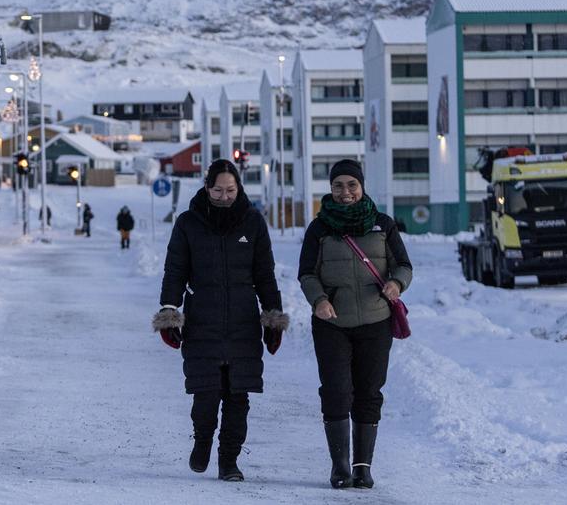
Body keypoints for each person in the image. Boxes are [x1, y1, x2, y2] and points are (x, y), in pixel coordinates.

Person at [152, 158, 288, 482]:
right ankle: (202, 441)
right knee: (206, 393)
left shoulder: (253, 222)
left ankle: (229, 461)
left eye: (230, 190)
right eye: (218, 191)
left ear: (239, 187)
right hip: (203, 320)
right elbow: (175, 270)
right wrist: (169, 312)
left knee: (238, 396)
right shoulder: (188, 223)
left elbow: (265, 274)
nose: (225, 197)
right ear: (206, 187)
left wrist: (273, 317)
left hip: (243, 322)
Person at [298, 159, 412, 491]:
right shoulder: (319, 229)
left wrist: (397, 283)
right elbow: (307, 273)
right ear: (330, 189)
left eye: (352, 185)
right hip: (331, 323)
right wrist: (319, 300)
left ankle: (363, 467)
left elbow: (403, 265)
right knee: (336, 391)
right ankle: (340, 466)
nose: (345, 192)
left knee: (369, 391)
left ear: (362, 187)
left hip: (376, 322)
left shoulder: (382, 225)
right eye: (338, 186)